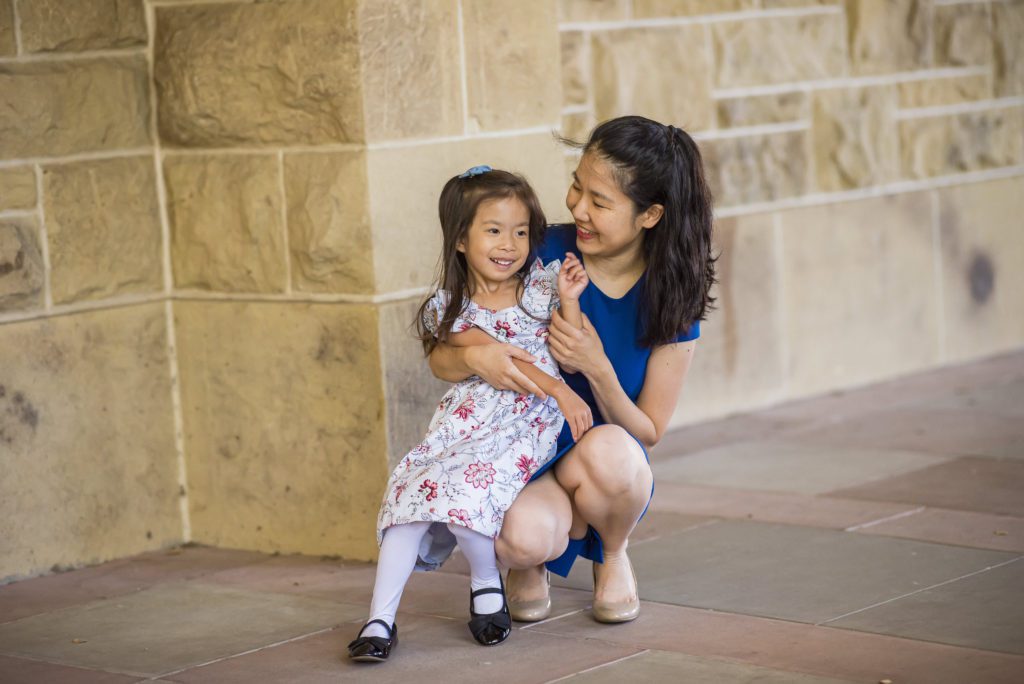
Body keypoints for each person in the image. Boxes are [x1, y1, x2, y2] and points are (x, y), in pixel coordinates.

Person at [427, 116, 715, 624]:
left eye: (599, 202)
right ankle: (534, 556)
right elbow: (441, 355)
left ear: (649, 215)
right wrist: (477, 356)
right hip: (521, 457)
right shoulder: (532, 250)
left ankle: (612, 553)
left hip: (598, 455)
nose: (578, 207)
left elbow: (648, 431)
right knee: (520, 541)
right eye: (577, 186)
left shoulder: (672, 298)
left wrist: (596, 368)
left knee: (618, 459)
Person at [348, 166, 594, 662]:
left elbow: (563, 353)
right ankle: (379, 620)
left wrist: (568, 302)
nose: (510, 244)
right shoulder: (451, 307)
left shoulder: (540, 289)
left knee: (464, 486)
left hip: (526, 418)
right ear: (461, 239)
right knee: (410, 489)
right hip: (466, 422)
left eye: (521, 232)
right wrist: (564, 393)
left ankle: (486, 584)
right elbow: (504, 356)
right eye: (494, 230)